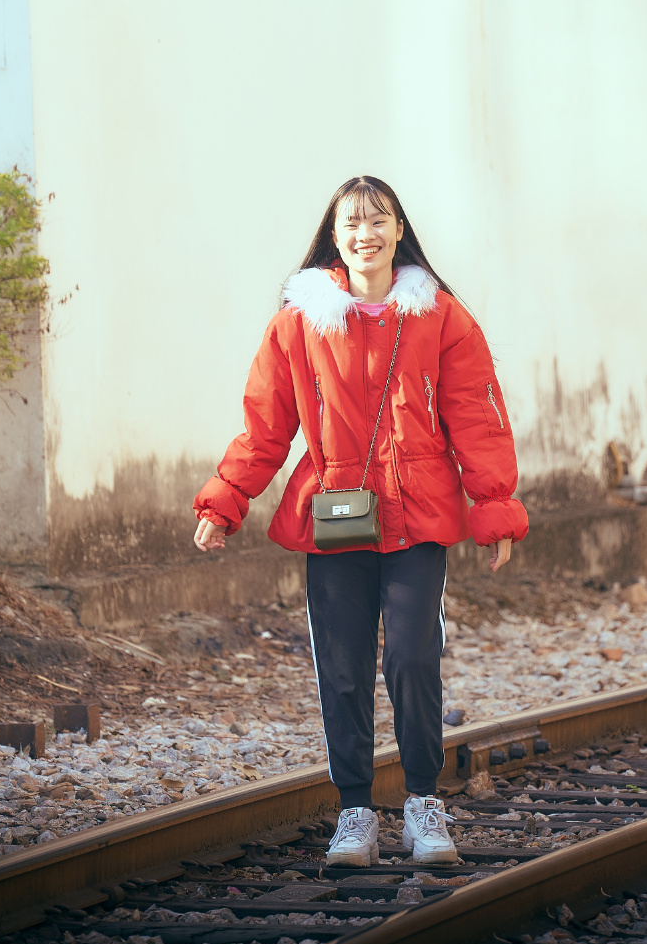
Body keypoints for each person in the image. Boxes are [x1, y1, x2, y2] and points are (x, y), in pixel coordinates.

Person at [193, 175, 528, 867]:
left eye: (378, 220)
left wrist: (494, 509)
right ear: (335, 234)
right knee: (342, 668)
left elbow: (476, 417)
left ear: (399, 230)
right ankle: (354, 813)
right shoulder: (300, 322)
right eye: (352, 222)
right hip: (336, 514)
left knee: (412, 658)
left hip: (419, 516)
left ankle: (423, 805)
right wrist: (226, 499)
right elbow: (265, 427)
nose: (365, 233)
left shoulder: (442, 317)